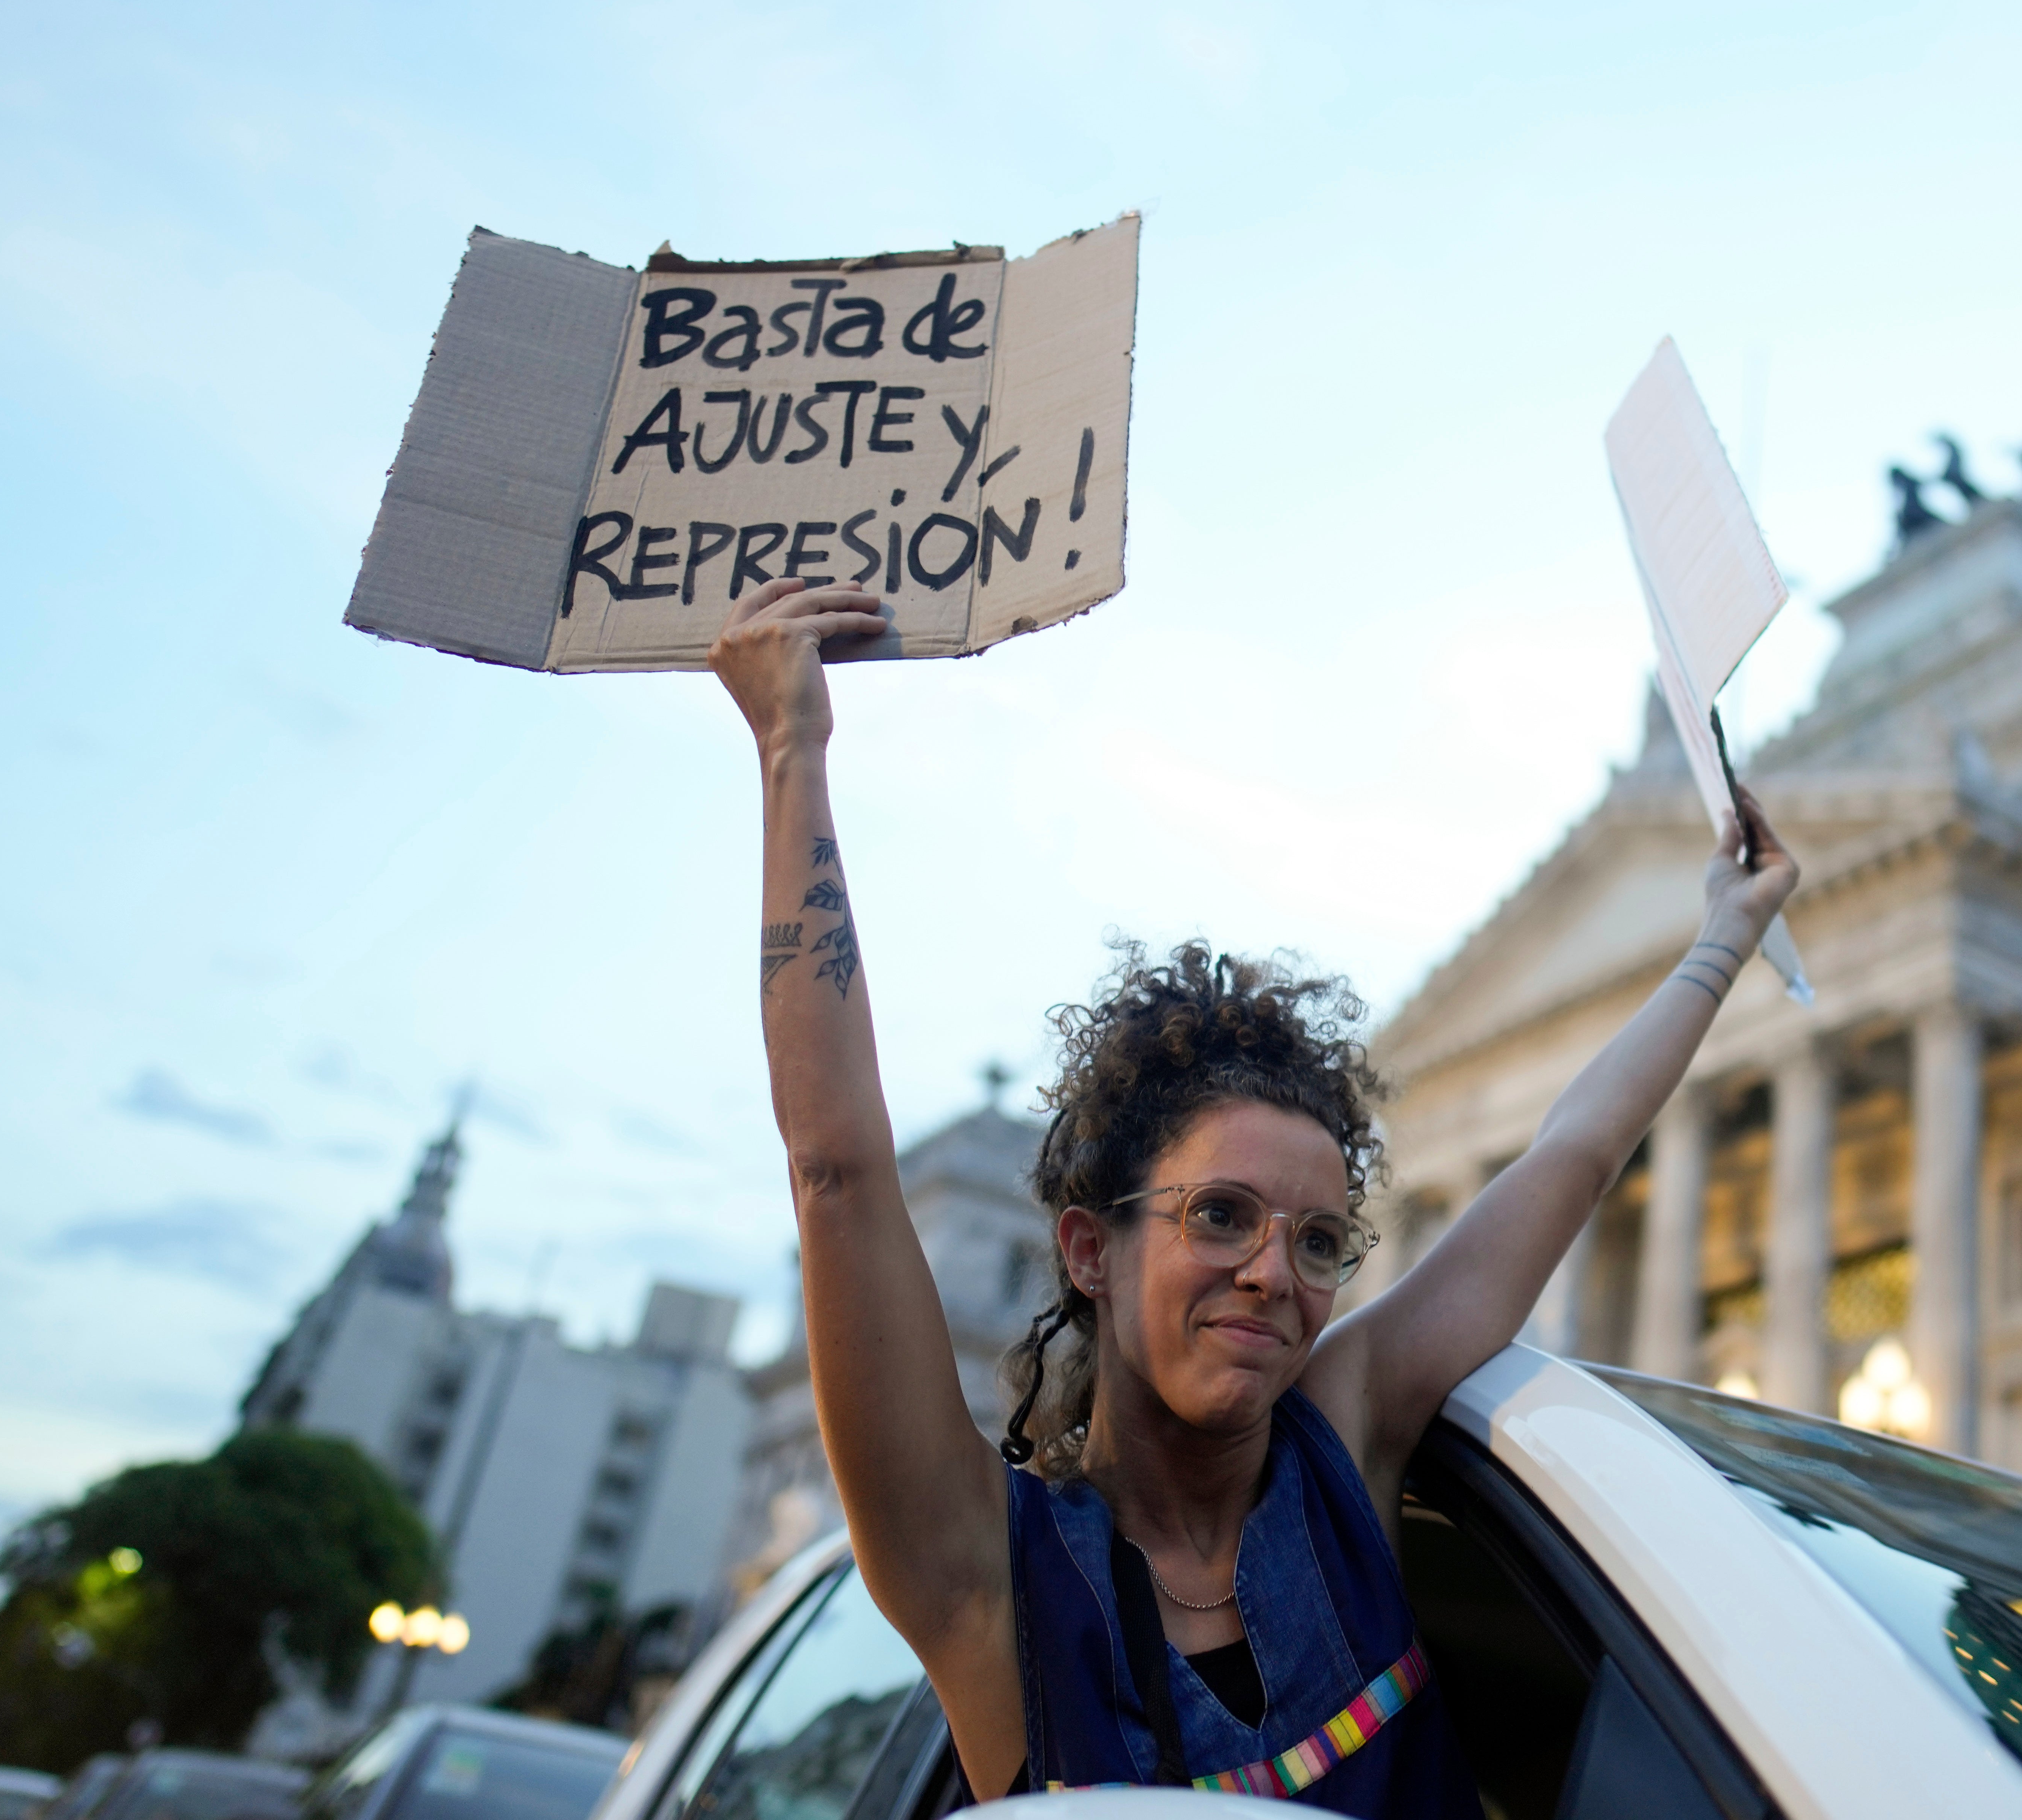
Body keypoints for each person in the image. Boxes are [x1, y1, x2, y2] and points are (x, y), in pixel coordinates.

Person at [709, 577, 1801, 1809]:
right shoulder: (987, 1571)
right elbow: (838, 1171)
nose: (1274, 1274)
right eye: (1219, 1214)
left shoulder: (1346, 1438)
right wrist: (791, 747)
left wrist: (1726, 933)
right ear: (1088, 1247)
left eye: (1321, 1239)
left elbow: (1568, 1156)